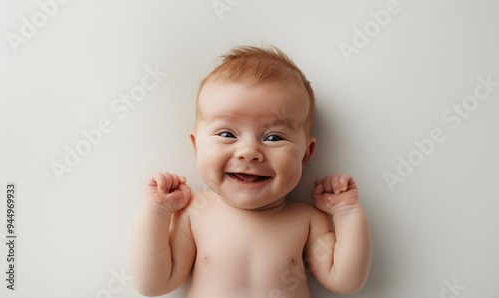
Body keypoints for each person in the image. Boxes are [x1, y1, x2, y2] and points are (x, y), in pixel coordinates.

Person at [132, 45, 371, 298]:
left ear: (305, 155)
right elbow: (153, 285)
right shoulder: (193, 215)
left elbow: (346, 281)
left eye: (273, 137)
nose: (249, 152)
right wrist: (156, 211)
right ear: (196, 146)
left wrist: (346, 213)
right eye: (227, 134)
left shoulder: (307, 220)